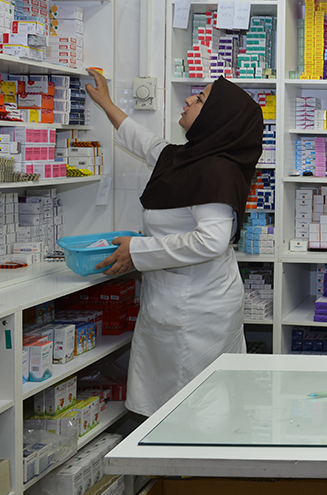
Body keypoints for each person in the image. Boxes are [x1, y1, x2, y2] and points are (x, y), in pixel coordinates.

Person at [84, 69, 264, 416]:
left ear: (216, 117)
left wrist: (137, 250)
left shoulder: (216, 170)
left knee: (198, 410)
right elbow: (146, 142)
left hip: (198, 310)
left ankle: (189, 452)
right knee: (173, 403)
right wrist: (106, 103)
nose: (189, 99)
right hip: (173, 300)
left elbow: (211, 242)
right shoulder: (189, 158)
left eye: (200, 99)